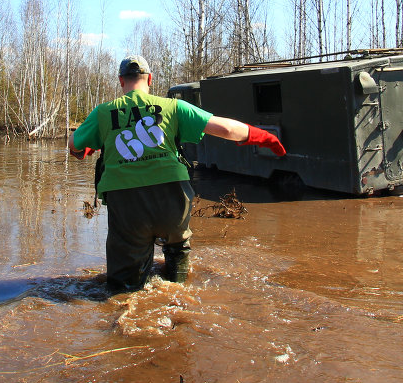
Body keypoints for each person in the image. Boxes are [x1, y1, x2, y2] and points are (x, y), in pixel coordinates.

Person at [69, 55, 286, 292]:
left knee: (124, 284)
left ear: (121, 81)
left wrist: (85, 147)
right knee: (177, 248)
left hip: (126, 202)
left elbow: (74, 144)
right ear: (150, 79)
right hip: (172, 197)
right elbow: (225, 128)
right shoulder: (174, 107)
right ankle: (177, 290)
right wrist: (266, 138)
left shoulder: (103, 113)